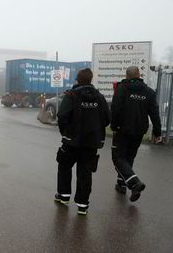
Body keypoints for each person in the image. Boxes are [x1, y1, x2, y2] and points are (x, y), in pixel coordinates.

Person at [55, 68, 110, 215]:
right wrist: (95, 129)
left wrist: (64, 131)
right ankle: (83, 205)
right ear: (91, 79)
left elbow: (62, 116)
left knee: (64, 166)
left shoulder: (71, 95)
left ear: (77, 80)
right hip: (91, 143)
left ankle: (63, 196)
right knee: (85, 173)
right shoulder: (99, 97)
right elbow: (107, 119)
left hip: (71, 141)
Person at [110, 66, 162, 202]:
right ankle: (122, 184)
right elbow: (154, 113)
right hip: (139, 130)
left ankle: (134, 183)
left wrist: (114, 125)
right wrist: (157, 131)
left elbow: (115, 108)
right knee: (129, 157)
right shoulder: (149, 92)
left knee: (118, 158)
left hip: (122, 129)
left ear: (127, 76)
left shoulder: (122, 88)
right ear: (139, 75)